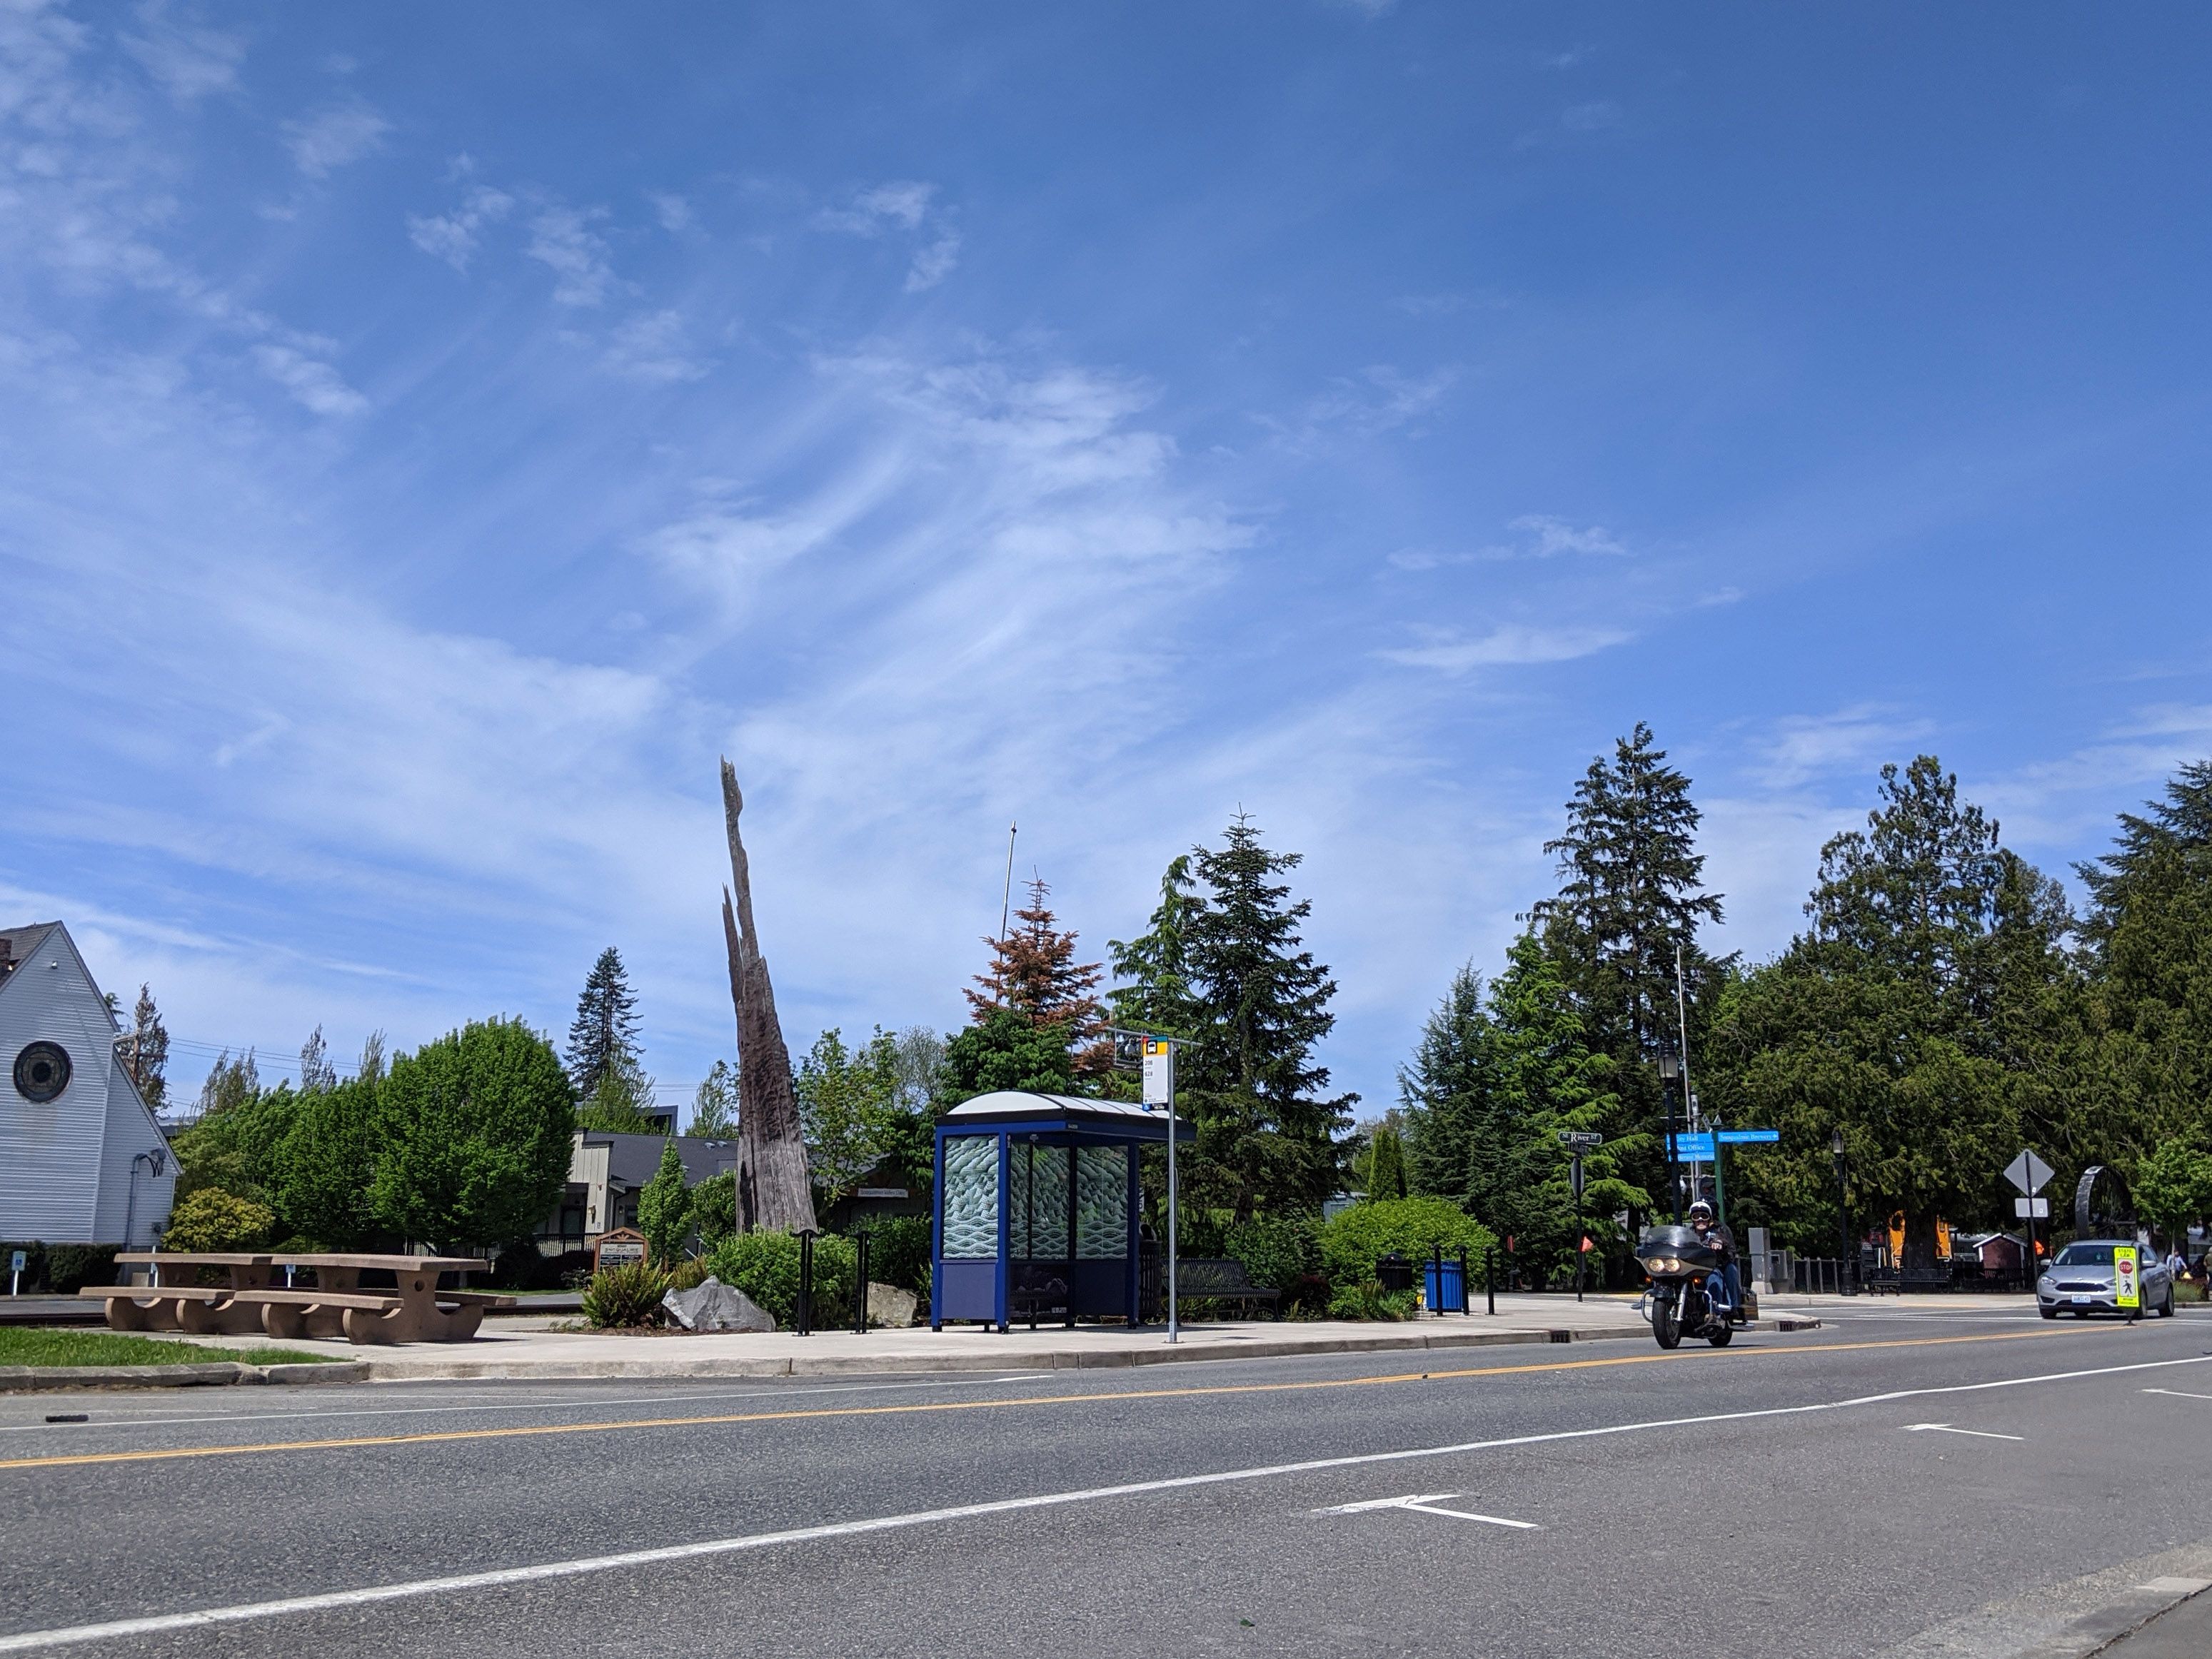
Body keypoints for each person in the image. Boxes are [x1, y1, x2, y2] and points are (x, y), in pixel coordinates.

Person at [1689, 1200, 1741, 1321]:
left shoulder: (1719, 1230)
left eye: (1704, 1216)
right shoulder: (1689, 1233)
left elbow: (1724, 1241)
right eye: (1696, 1216)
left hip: (1715, 1266)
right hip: (1693, 1269)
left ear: (1710, 1218)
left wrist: (1718, 1242)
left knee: (1714, 1276)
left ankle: (1715, 1311)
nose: (1700, 1219)